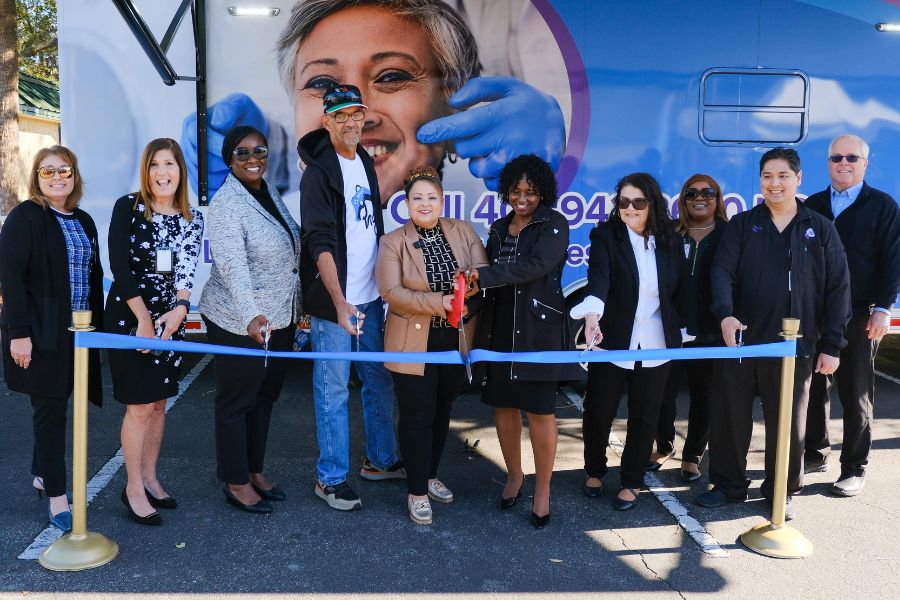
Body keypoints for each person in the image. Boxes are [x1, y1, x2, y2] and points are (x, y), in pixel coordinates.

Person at [181, 0, 567, 199]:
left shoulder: (521, 23)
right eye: (322, 84)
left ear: (451, 99)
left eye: (392, 76)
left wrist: (560, 158)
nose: (355, 114)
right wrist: (256, 152)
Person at [697, 147, 851, 520]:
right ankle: (729, 484)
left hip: (795, 347)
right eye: (767, 176)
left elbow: (839, 288)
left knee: (789, 423)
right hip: (742, 341)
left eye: (782, 176)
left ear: (798, 179)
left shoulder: (820, 228)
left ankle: (780, 489)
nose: (774, 183)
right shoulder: (743, 224)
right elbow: (721, 273)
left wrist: (832, 344)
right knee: (731, 417)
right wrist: (725, 316)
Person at [299, 83, 403, 511]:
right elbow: (319, 242)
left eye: (355, 113)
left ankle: (380, 460)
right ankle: (331, 478)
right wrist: (340, 302)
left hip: (371, 299)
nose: (350, 122)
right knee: (333, 389)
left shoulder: (363, 159)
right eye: (340, 116)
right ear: (326, 121)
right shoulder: (319, 173)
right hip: (336, 303)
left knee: (379, 379)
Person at [467, 154, 579, 529]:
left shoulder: (554, 224)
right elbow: (485, 272)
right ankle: (515, 476)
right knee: (503, 407)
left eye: (531, 192)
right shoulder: (499, 227)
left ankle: (543, 489)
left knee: (540, 410)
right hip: (499, 330)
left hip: (538, 332)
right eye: (516, 190)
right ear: (507, 191)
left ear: (542, 193)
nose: (523, 198)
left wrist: (485, 276)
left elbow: (536, 266)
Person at [375, 165, 488, 525]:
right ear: (405, 204)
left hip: (454, 338)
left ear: (442, 201)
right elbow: (391, 292)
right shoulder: (393, 241)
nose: (425, 203)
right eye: (417, 198)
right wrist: (439, 302)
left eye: (431, 197)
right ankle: (417, 491)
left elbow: (482, 273)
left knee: (442, 411)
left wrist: (469, 289)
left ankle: (430, 474)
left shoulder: (463, 230)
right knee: (416, 414)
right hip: (412, 339)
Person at [0, 146, 104, 532]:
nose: (57, 177)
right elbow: (10, 277)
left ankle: (41, 473)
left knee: (57, 406)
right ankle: (58, 498)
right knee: (49, 412)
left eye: (65, 170)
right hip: (40, 331)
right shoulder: (26, 217)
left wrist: (99, 329)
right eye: (48, 172)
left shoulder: (84, 220)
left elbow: (94, 277)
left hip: (77, 333)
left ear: (75, 175)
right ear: (36, 178)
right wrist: (19, 334)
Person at [199, 126, 302, 514]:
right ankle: (236, 481)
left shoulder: (266, 190)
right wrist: (250, 317)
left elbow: (290, 247)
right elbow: (232, 268)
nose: (253, 157)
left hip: (279, 316)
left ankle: (254, 469)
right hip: (239, 319)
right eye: (242, 153)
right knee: (237, 400)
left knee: (264, 397)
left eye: (259, 150)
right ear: (230, 160)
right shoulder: (227, 203)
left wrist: (297, 308)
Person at [570, 172, 685, 511]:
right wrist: (592, 316)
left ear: (652, 205)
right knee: (598, 410)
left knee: (645, 415)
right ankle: (594, 469)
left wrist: (687, 328)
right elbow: (599, 281)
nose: (630, 208)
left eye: (638, 202)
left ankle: (632, 480)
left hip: (656, 340)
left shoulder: (669, 241)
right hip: (614, 339)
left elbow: (679, 290)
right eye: (623, 202)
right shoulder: (606, 236)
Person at [106, 138, 203, 525]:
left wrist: (180, 310)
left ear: (181, 171)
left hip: (170, 318)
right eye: (156, 165)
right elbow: (119, 264)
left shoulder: (191, 218)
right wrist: (143, 319)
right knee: (140, 405)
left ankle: (149, 477)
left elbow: (186, 272)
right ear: (146, 171)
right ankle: (131, 487)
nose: (163, 173)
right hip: (130, 312)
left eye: (171, 164)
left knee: (160, 402)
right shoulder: (128, 207)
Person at [803, 134, 900, 497]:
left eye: (851, 158)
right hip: (815, 312)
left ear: (865, 163)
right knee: (811, 388)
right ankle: (815, 453)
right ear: (828, 163)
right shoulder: (812, 205)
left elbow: (893, 262)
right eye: (836, 158)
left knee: (856, 390)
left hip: (859, 312)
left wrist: (883, 309)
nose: (843, 163)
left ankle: (854, 467)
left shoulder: (883, 206)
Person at [647, 175, 728, 482]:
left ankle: (693, 454)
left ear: (718, 199)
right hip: (668, 329)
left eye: (709, 192)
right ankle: (664, 445)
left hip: (710, 331)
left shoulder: (729, 234)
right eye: (691, 192)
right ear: (682, 199)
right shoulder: (667, 233)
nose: (700, 197)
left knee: (704, 394)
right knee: (663, 393)